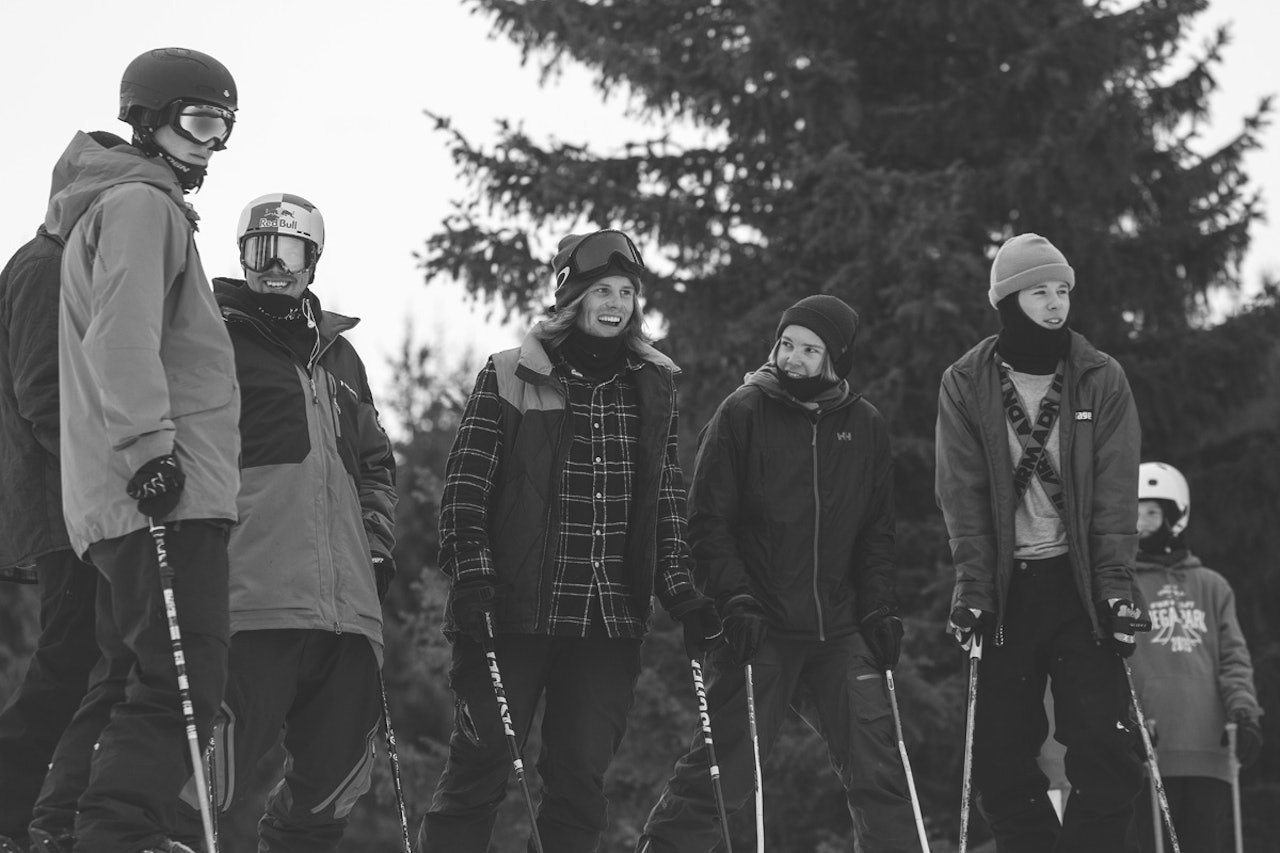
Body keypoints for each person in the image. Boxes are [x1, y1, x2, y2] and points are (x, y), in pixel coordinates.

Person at [417, 229, 723, 853]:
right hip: (511, 611)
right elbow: (466, 488)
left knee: (579, 783)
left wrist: (683, 594)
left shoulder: (654, 385)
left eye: (627, 292)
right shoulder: (511, 373)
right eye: (601, 290)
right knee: (483, 768)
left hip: (607, 620)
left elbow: (663, 502)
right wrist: (473, 576)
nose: (615, 303)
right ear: (573, 295)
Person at [30, 47, 242, 853]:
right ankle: (118, 832)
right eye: (198, 120)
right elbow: (125, 337)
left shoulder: (117, 205)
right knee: (184, 678)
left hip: (123, 493)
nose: (211, 143)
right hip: (159, 488)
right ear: (148, 120)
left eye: (223, 127)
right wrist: (153, 450)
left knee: (136, 669)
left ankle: (72, 826)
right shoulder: (140, 206)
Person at [637, 294, 918, 852]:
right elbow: (709, 521)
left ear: (834, 359)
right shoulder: (743, 411)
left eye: (809, 350)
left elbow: (876, 535)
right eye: (786, 343)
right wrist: (735, 599)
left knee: (878, 765)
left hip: (838, 628)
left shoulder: (864, 426)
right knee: (724, 767)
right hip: (759, 624)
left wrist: (879, 605)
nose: (792, 358)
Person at [935, 233, 1148, 852]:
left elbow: (1115, 496)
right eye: (1039, 292)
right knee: (1000, 759)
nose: (1056, 304)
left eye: (1062, 291)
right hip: (1008, 590)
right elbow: (962, 492)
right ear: (1008, 300)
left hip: (1078, 586)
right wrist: (973, 587)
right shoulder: (966, 383)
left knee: (1106, 746)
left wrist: (1115, 587)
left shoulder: (1099, 377)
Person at [199, 193, 397, 852]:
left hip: (348, 611)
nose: (273, 266)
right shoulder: (212, 332)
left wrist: (377, 542)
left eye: (288, 252)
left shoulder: (341, 356)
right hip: (255, 594)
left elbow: (374, 462)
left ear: (312, 261)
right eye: (260, 251)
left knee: (331, 790)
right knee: (202, 780)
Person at [0, 219, 102, 853]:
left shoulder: (70, 261)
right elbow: (43, 396)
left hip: (80, 500)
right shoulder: (45, 265)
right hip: (65, 505)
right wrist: (110, 477)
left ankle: (55, 814)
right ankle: (12, 815)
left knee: (90, 659)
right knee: (69, 659)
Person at [1127, 461, 1263, 852]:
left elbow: (1234, 659)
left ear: (1175, 516)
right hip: (1149, 750)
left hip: (1209, 750)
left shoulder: (1213, 587)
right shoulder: (1121, 586)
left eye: (1153, 511)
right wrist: (1125, 720)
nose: (1144, 521)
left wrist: (1245, 713)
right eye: (1135, 512)